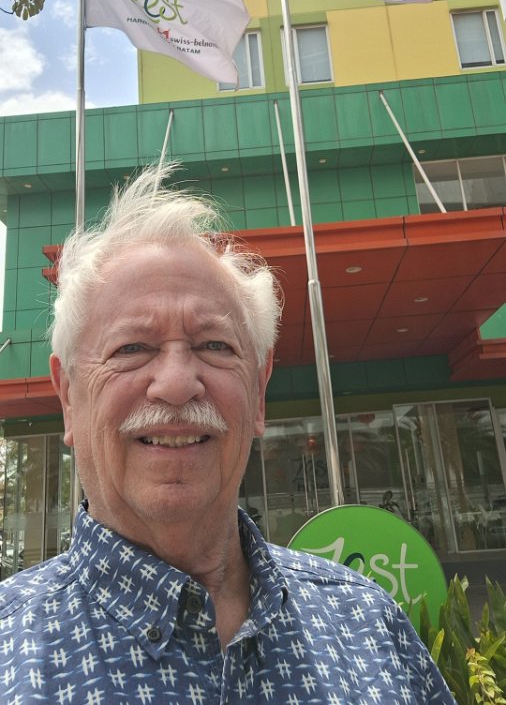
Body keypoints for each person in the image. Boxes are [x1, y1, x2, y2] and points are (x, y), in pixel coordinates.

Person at [0, 165, 456, 703]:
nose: (176, 384)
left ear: (258, 392)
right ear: (68, 396)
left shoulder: (370, 626)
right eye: (131, 348)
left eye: (215, 346)